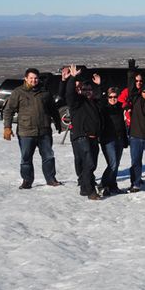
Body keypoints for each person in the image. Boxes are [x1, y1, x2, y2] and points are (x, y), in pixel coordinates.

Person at [2, 68, 63, 189]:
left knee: (48, 156)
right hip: (26, 131)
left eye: (35, 78)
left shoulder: (45, 91)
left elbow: (53, 109)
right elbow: (8, 110)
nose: (34, 80)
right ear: (26, 79)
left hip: (44, 130)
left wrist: (57, 122)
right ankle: (27, 180)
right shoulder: (18, 92)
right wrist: (7, 127)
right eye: (31, 78)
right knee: (26, 158)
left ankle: (51, 179)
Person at [65, 65, 104, 200]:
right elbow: (69, 93)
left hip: (93, 137)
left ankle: (84, 187)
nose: (87, 91)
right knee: (89, 163)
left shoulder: (94, 102)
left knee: (91, 164)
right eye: (84, 89)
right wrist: (72, 78)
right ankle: (91, 191)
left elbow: (100, 99)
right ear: (80, 90)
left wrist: (98, 85)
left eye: (89, 89)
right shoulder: (77, 102)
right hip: (82, 136)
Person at [99, 84, 128, 195]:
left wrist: (125, 139)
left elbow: (122, 125)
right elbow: (100, 104)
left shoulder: (120, 107)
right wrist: (100, 86)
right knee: (113, 163)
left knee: (116, 163)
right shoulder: (104, 108)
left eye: (115, 97)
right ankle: (103, 184)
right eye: (110, 97)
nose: (113, 99)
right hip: (108, 139)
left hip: (119, 138)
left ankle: (112, 185)